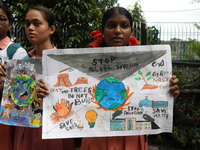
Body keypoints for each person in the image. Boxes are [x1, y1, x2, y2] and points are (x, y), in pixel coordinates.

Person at [81, 6, 180, 150]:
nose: (117, 31)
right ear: (102, 31)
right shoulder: (86, 64)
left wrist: (168, 93)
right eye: (111, 26)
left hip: (132, 134)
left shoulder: (148, 65)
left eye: (124, 26)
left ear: (131, 31)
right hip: (97, 133)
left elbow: (153, 99)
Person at [13, 6, 75, 150]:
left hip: (56, 124)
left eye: (37, 23)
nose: (30, 28)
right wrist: (7, 83)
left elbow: (75, 97)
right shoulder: (21, 63)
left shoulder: (65, 63)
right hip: (27, 126)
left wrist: (53, 93)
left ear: (51, 29)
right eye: (27, 24)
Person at [0, 5, 29, 150]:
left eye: (1, 19)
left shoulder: (16, 51)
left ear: (10, 24)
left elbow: (19, 89)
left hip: (4, 112)